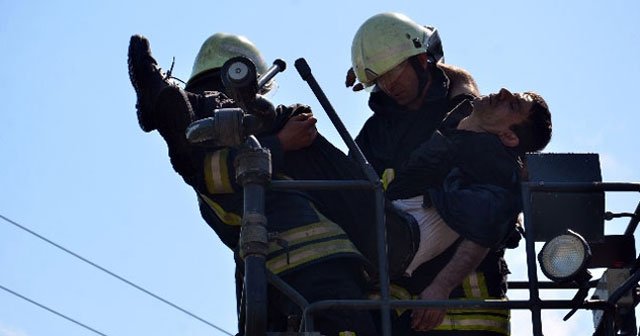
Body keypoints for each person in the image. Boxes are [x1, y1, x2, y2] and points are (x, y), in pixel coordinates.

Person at [127, 33, 377, 336]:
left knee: (208, 151)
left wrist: (279, 142)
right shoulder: (216, 155)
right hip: (301, 272)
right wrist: (279, 143)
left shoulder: (285, 124)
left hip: (304, 269)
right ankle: (168, 103)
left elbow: (292, 125)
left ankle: (168, 103)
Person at [346, 12, 519, 335]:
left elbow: (490, 219)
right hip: (401, 301)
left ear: (423, 61)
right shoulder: (373, 136)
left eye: (394, 76)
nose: (388, 87)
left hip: (471, 301)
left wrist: (441, 288)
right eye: (379, 79)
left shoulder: (470, 117)